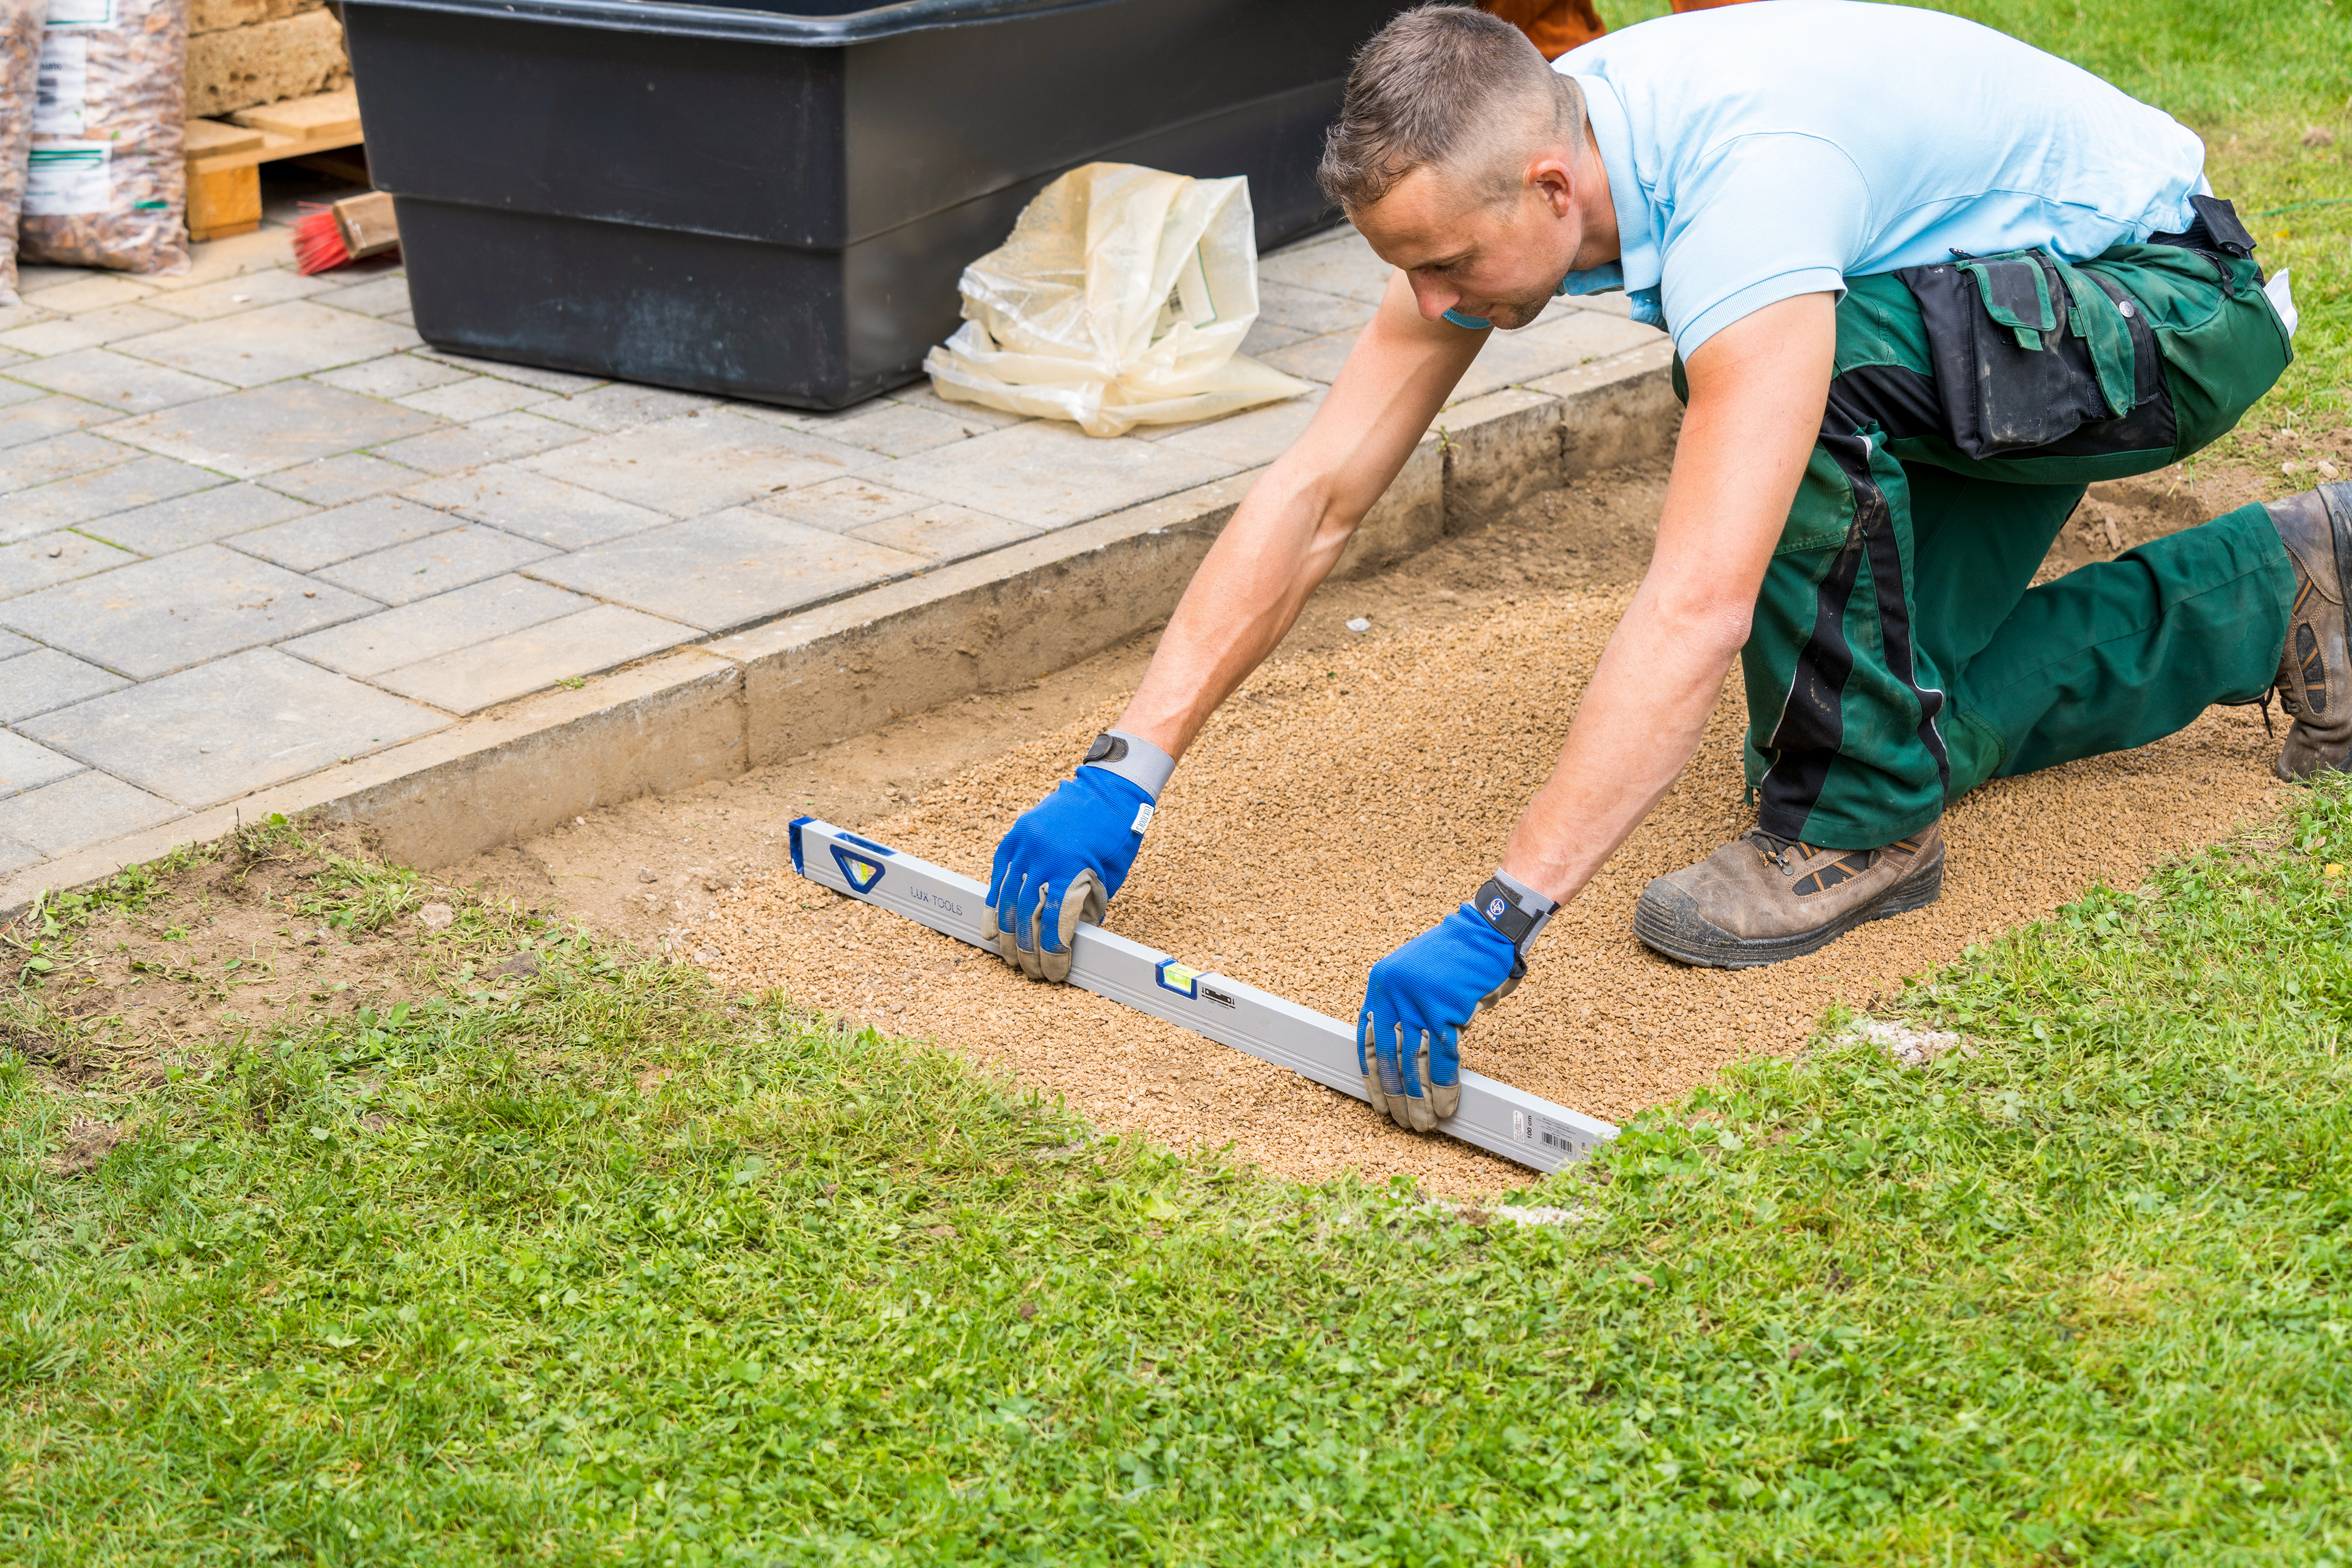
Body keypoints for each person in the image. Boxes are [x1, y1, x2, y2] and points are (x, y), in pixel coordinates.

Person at [982, 1, 2323, 1134]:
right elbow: (1320, 489)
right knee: (1880, 720)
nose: (1439, 305)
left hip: (2167, 312)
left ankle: (1853, 832)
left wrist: (1501, 914)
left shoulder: (1747, 197)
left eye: (1450, 266)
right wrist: (1127, 767)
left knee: (1796, 380)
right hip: (1992, 323)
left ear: (1554, 191)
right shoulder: (1526, 152)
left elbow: (1699, 599)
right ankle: (2289, 589)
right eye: (1412, 272)